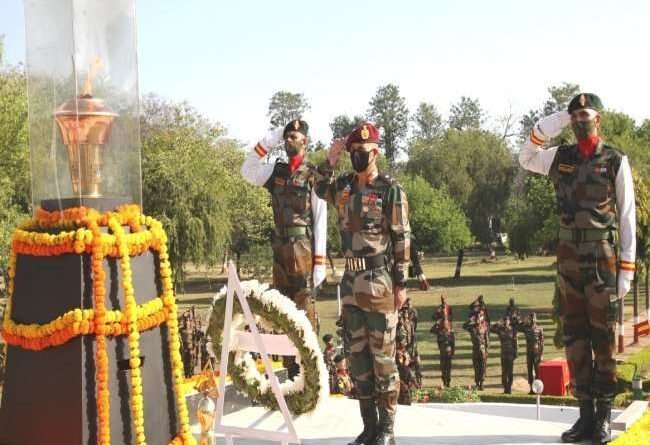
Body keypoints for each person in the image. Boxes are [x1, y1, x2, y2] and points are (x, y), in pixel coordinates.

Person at [519, 93, 636, 444]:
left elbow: (627, 215)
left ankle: (602, 417)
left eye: (586, 114)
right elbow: (526, 158)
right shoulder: (562, 157)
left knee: (602, 339)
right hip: (568, 256)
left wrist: (626, 271)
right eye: (576, 115)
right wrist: (556, 120)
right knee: (574, 337)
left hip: (601, 255)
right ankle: (584, 415)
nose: (581, 119)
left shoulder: (614, 159)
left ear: (598, 118)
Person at [315, 122, 410, 445]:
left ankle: (387, 429)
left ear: (376, 152)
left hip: (380, 281)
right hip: (351, 282)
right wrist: (331, 158)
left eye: (363, 152)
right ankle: (368, 427)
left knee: (383, 359)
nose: (358, 157)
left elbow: (401, 236)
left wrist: (402, 282)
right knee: (358, 358)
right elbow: (316, 187)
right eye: (353, 152)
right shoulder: (343, 186)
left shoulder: (389, 189)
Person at [240, 119, 328, 379]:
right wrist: (271, 138)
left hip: (303, 249)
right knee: (284, 311)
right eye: (287, 136)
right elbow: (247, 169)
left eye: (295, 137)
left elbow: (321, 218)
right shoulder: (276, 171)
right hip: (280, 249)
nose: (290, 140)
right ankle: (291, 376)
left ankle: (310, 375)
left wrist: (320, 263)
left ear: (306, 141)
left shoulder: (313, 174)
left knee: (304, 312)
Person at [490, 317, 517, 393]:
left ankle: (509, 387)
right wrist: (497, 323)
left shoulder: (513, 330)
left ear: (509, 322)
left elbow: (515, 342)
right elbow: (490, 328)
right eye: (504, 321)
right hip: (503, 353)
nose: (505, 323)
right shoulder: (500, 330)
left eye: (507, 321)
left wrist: (515, 353)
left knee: (510, 372)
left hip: (511, 353)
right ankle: (505, 388)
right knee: (504, 372)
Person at [463, 313, 488, 390]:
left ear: (481, 319)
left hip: (482, 349)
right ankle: (477, 383)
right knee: (476, 367)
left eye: (478, 318)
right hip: (475, 349)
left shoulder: (484, 328)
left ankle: (482, 383)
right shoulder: (472, 328)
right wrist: (470, 320)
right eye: (476, 319)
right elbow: (464, 326)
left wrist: (486, 351)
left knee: (483, 367)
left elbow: (487, 340)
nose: (477, 320)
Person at [521, 313, 544, 395]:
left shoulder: (539, 329)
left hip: (537, 353)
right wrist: (525, 320)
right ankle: (531, 388)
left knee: (537, 371)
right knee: (530, 370)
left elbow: (542, 343)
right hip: (529, 353)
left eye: (534, 318)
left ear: (536, 319)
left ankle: (537, 389)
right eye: (531, 319)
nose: (533, 320)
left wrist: (541, 355)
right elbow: (518, 325)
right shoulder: (526, 328)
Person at [430, 313, 455, 387]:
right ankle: (444, 381)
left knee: (449, 368)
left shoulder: (450, 333)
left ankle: (448, 381)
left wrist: (453, 352)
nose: (445, 324)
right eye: (444, 323)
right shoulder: (439, 332)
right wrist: (437, 323)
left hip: (449, 353)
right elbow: (432, 330)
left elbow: (453, 343)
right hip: (442, 352)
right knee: (443, 368)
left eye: (446, 323)